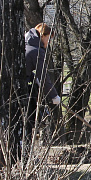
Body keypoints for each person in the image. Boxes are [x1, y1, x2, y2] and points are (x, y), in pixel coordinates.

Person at [23, 23, 60, 156]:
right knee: (28, 121)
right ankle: (26, 154)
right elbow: (43, 76)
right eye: (48, 38)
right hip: (23, 91)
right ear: (42, 35)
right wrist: (53, 96)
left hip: (21, 86)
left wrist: (32, 76)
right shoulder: (36, 51)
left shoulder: (26, 45)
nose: (48, 42)